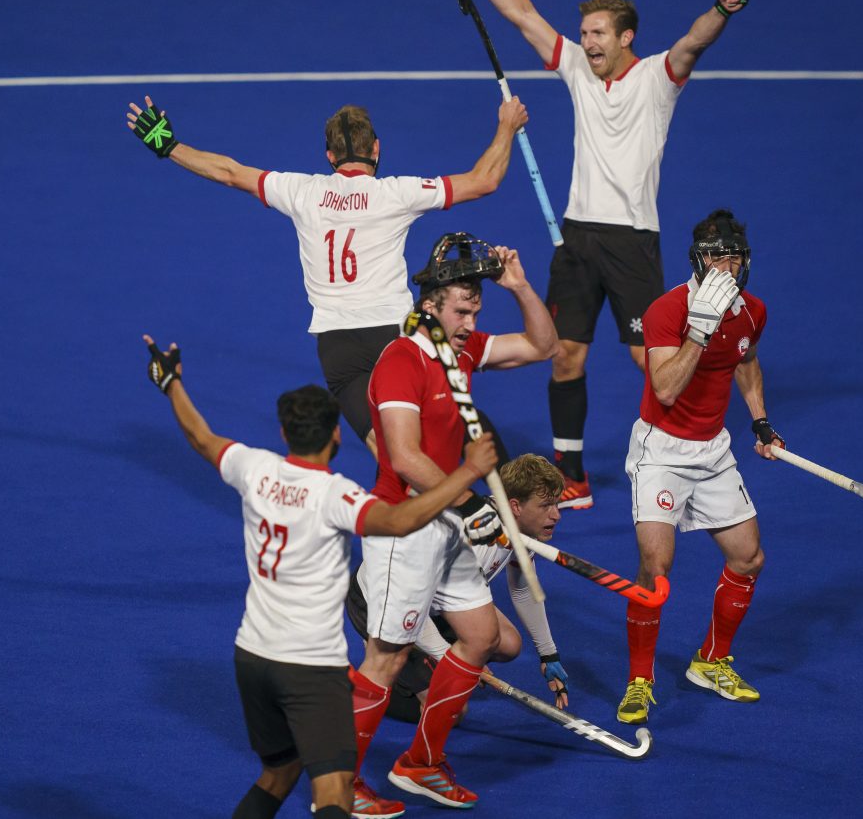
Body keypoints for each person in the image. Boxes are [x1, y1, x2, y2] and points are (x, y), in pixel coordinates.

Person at [139, 335, 500, 819]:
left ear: (284, 435)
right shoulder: (338, 496)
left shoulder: (254, 468)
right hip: (309, 669)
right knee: (334, 796)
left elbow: (201, 437)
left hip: (251, 657)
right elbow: (400, 521)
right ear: (336, 436)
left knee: (277, 777)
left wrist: (171, 384)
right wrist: (466, 476)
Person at [454, 0, 750, 509]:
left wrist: (722, 7)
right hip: (577, 238)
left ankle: (685, 448)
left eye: (596, 33)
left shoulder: (656, 79)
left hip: (633, 241)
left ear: (625, 38)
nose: (586, 41)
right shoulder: (575, 71)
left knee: (651, 358)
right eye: (584, 32)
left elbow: (695, 40)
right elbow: (523, 14)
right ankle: (573, 474)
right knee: (565, 355)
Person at [126, 93, 529, 458]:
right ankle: (511, 503)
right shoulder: (398, 193)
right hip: (396, 335)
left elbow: (229, 172)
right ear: (376, 149)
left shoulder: (302, 191)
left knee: (395, 459)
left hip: (337, 348)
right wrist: (506, 126)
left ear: (329, 157)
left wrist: (169, 146)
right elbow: (484, 180)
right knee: (452, 419)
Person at [351, 233, 557, 815]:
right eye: (462, 310)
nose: (470, 322)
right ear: (433, 301)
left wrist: (518, 287)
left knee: (482, 636)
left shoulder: (458, 351)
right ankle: (339, 782)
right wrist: (470, 505)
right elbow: (405, 457)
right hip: (406, 526)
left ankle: (419, 762)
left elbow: (543, 346)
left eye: (476, 311)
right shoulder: (401, 361)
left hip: (449, 524)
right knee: (386, 660)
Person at [614, 209, 781, 725]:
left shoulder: (752, 311)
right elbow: (664, 388)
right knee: (655, 570)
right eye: (715, 256)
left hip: (713, 451)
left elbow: (747, 361)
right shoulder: (667, 310)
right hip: (660, 451)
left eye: (733, 256)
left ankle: (711, 660)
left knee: (748, 557)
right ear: (698, 259)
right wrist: (701, 331)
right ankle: (640, 679)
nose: (725, 267)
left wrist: (760, 423)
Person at [346, 453, 570, 724]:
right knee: (452, 710)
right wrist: (452, 661)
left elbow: (522, 591)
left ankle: (414, 663)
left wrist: (548, 653)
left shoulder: (519, 533)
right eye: (546, 505)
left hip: (438, 604)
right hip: (385, 602)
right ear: (516, 506)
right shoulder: (469, 538)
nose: (556, 515)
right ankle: (370, 677)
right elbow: (412, 606)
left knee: (508, 644)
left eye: (557, 504)